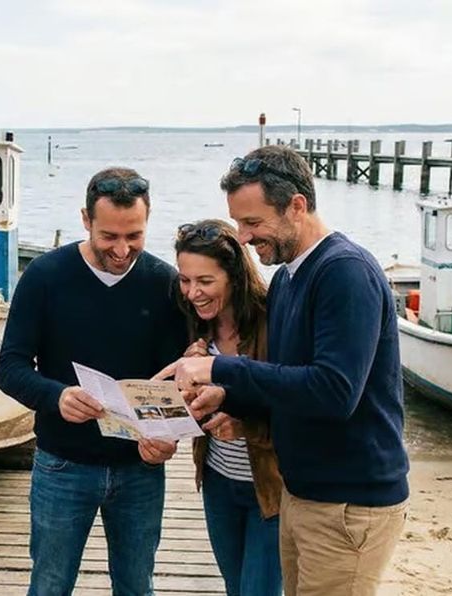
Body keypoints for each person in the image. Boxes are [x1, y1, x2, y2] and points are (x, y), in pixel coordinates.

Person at [159, 146, 410, 596]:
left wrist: (221, 367)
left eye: (253, 223)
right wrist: (230, 400)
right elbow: (289, 381)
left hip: (348, 503)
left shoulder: (344, 272)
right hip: (302, 494)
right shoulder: (290, 279)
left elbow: (334, 391)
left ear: (296, 206)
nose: (244, 237)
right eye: (238, 222)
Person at [0, 167, 187, 595]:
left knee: (137, 586)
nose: (122, 250)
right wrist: (56, 395)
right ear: (86, 220)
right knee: (49, 585)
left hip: (140, 468)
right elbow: (9, 367)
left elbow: (175, 380)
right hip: (63, 464)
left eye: (134, 236)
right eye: (109, 237)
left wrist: (168, 437)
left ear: (148, 219)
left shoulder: (163, 283)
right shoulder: (44, 276)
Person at [172, 219, 283, 596]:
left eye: (205, 281)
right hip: (218, 481)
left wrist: (245, 424)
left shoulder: (274, 320)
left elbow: (298, 397)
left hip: (270, 486)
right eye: (185, 280)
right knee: (236, 588)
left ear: (234, 276)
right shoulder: (194, 325)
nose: (193, 293)